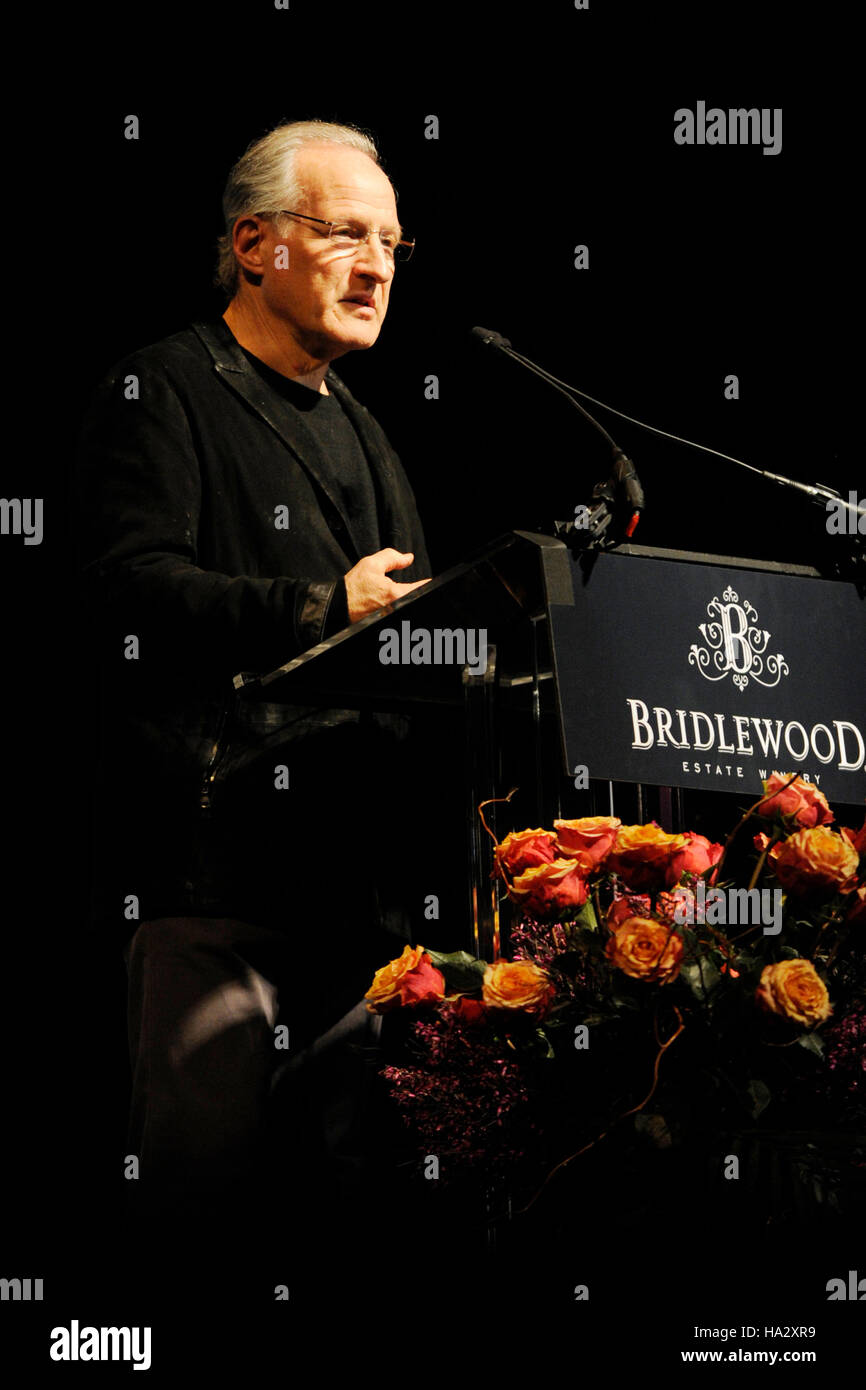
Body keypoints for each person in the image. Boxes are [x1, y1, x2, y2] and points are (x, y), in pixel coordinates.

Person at [75, 120, 432, 1200]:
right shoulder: (166, 389)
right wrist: (319, 605)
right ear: (253, 243)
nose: (374, 266)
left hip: (358, 896)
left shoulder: (368, 433)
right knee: (204, 1197)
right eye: (341, 234)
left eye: (391, 244)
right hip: (214, 880)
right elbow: (128, 590)